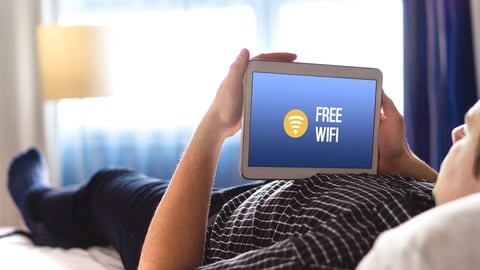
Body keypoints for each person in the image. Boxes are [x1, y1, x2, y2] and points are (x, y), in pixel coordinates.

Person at [6, 48, 479, 269]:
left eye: (469, 135)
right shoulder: (440, 210)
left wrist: (214, 126)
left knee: (103, 188)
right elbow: (449, 199)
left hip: (198, 231)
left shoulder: (368, 239)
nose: (456, 130)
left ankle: (33, 200)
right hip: (237, 205)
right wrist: (400, 161)